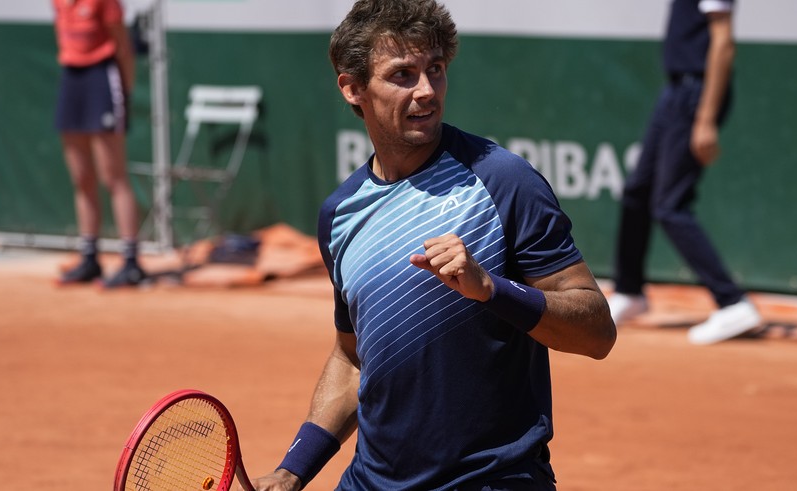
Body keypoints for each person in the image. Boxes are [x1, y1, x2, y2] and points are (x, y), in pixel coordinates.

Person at [240, 1, 616, 489]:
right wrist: (295, 469)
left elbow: (597, 332)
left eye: (434, 70)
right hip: (371, 480)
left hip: (489, 480)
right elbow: (352, 357)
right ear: (353, 89)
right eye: (402, 75)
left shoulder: (503, 181)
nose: (426, 91)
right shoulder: (340, 214)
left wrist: (491, 289)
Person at [607, 0, 761, 345]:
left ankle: (733, 302)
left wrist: (705, 118)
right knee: (637, 191)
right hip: (675, 91)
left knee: (670, 205)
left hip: (696, 93)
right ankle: (630, 293)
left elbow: (723, 42)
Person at [52, 0, 146, 288]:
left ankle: (131, 262)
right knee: (81, 177)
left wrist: (124, 94)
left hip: (103, 78)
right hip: (72, 77)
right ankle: (89, 258)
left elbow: (124, 48)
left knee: (113, 176)